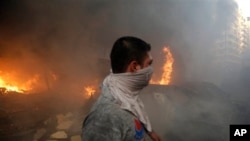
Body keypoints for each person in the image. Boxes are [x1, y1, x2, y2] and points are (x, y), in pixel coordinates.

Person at [82, 36, 161, 141]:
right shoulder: (106, 118)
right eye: (149, 64)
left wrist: (150, 132)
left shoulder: (125, 95)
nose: (151, 70)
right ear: (135, 66)